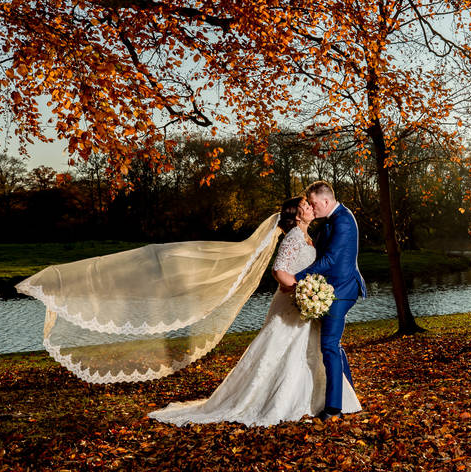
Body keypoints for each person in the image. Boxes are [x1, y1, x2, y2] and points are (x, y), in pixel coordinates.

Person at [148, 196, 361, 426]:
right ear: (297, 215)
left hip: (303, 304)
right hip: (292, 303)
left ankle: (311, 400)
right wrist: (301, 289)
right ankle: (271, 400)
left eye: (310, 204)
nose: (310, 207)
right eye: (305, 206)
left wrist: (310, 292)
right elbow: (278, 270)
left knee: (308, 350)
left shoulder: (310, 237)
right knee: (279, 349)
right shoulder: (293, 238)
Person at [285, 181, 366, 422]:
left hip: (342, 289)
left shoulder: (341, 220)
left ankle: (333, 409)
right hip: (331, 288)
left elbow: (330, 260)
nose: (310, 206)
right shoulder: (332, 219)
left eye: (312, 203)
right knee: (334, 345)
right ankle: (347, 395)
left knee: (329, 345)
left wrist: (297, 278)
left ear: (326, 202)